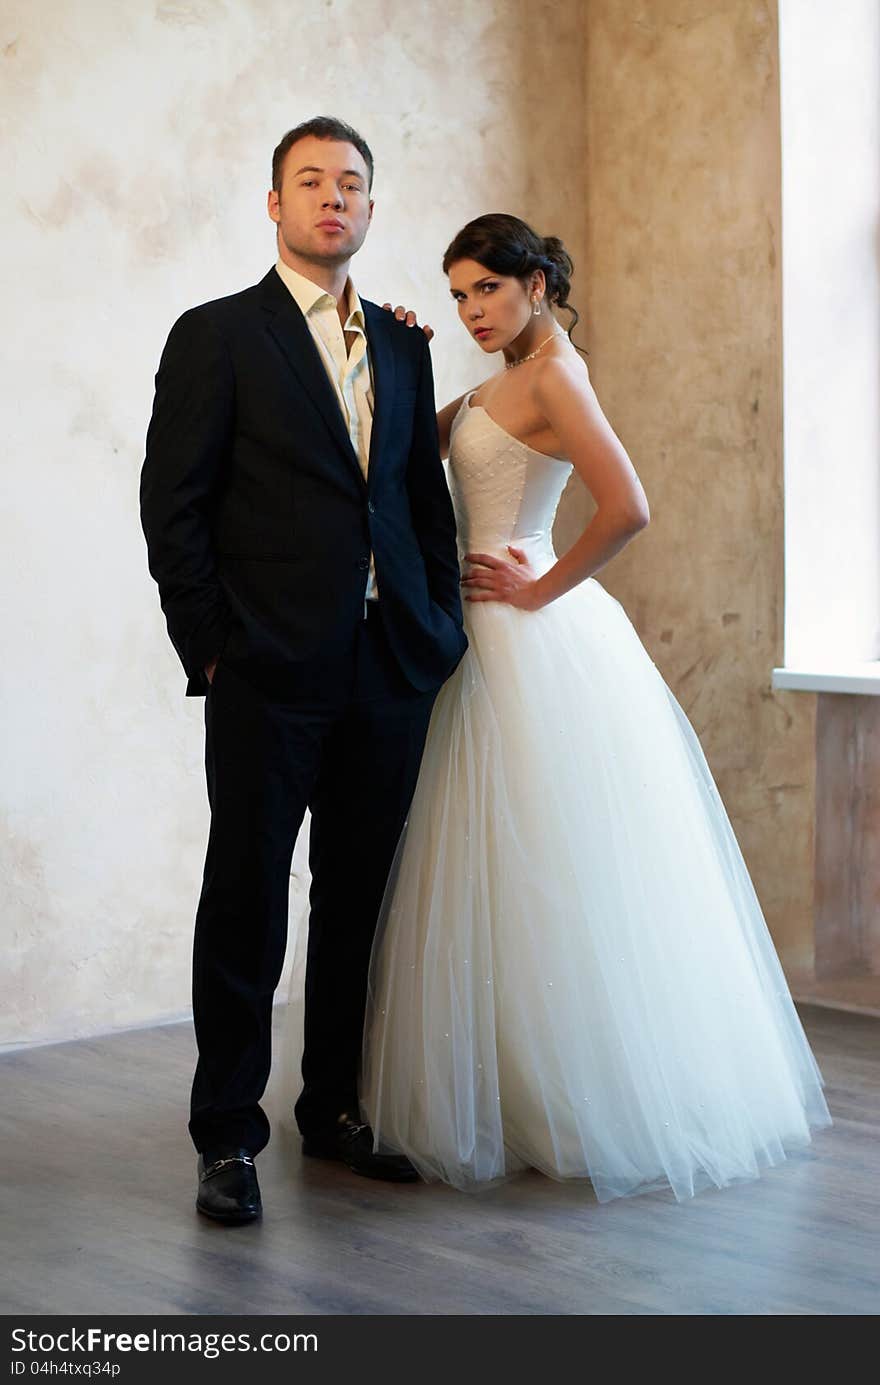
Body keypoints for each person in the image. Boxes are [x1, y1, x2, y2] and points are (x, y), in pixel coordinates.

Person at [361, 213, 831, 1202]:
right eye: (456, 295)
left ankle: (573, 1093)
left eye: (485, 287)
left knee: (551, 862)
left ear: (536, 282)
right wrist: (397, 345)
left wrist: (539, 588)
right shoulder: (499, 379)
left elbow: (628, 505)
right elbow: (405, 447)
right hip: (476, 633)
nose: (471, 309)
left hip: (529, 634)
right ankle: (509, 1082)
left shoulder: (554, 375)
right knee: (497, 863)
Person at [139, 117, 466, 1224]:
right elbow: (171, 506)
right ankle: (228, 1135)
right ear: (273, 205)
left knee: (358, 897)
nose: (334, 198)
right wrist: (214, 646)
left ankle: (330, 1108)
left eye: (353, 184)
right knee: (244, 897)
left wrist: (438, 628)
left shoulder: (408, 342)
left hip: (389, 667)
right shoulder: (216, 334)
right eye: (311, 181)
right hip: (266, 668)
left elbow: (423, 501)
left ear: (372, 211)